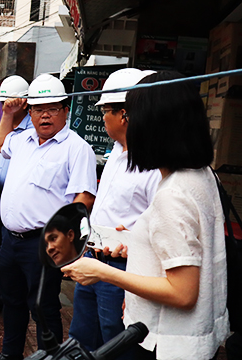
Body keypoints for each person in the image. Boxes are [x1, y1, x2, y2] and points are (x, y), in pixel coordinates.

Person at [62, 71, 229, 360]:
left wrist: (102, 272)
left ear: (154, 125)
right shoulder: (201, 175)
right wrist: (136, 243)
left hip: (166, 343)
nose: (127, 123)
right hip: (194, 338)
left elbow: (183, 293)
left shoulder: (173, 194)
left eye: (130, 114)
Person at [0, 73, 97, 360]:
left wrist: (64, 244)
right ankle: (9, 354)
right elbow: (1, 143)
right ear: (31, 112)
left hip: (44, 243)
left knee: (44, 307)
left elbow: (84, 199)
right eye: (38, 109)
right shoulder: (22, 140)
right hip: (10, 240)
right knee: (12, 301)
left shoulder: (76, 149)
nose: (45, 115)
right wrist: (8, 114)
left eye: (52, 108)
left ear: (65, 110)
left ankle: (49, 357)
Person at [68, 69, 162, 357]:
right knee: (83, 339)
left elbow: (160, 230)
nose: (102, 118)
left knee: (117, 343)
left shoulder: (156, 164)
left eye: (106, 111)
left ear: (125, 114)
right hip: (95, 259)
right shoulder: (117, 153)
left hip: (125, 271)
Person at [0, 76, 33, 311]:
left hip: (15, 197)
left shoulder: (31, 130)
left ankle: (13, 295)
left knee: (9, 246)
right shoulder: (8, 123)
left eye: (9, 103)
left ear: (24, 103)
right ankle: (1, 292)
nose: (5, 108)